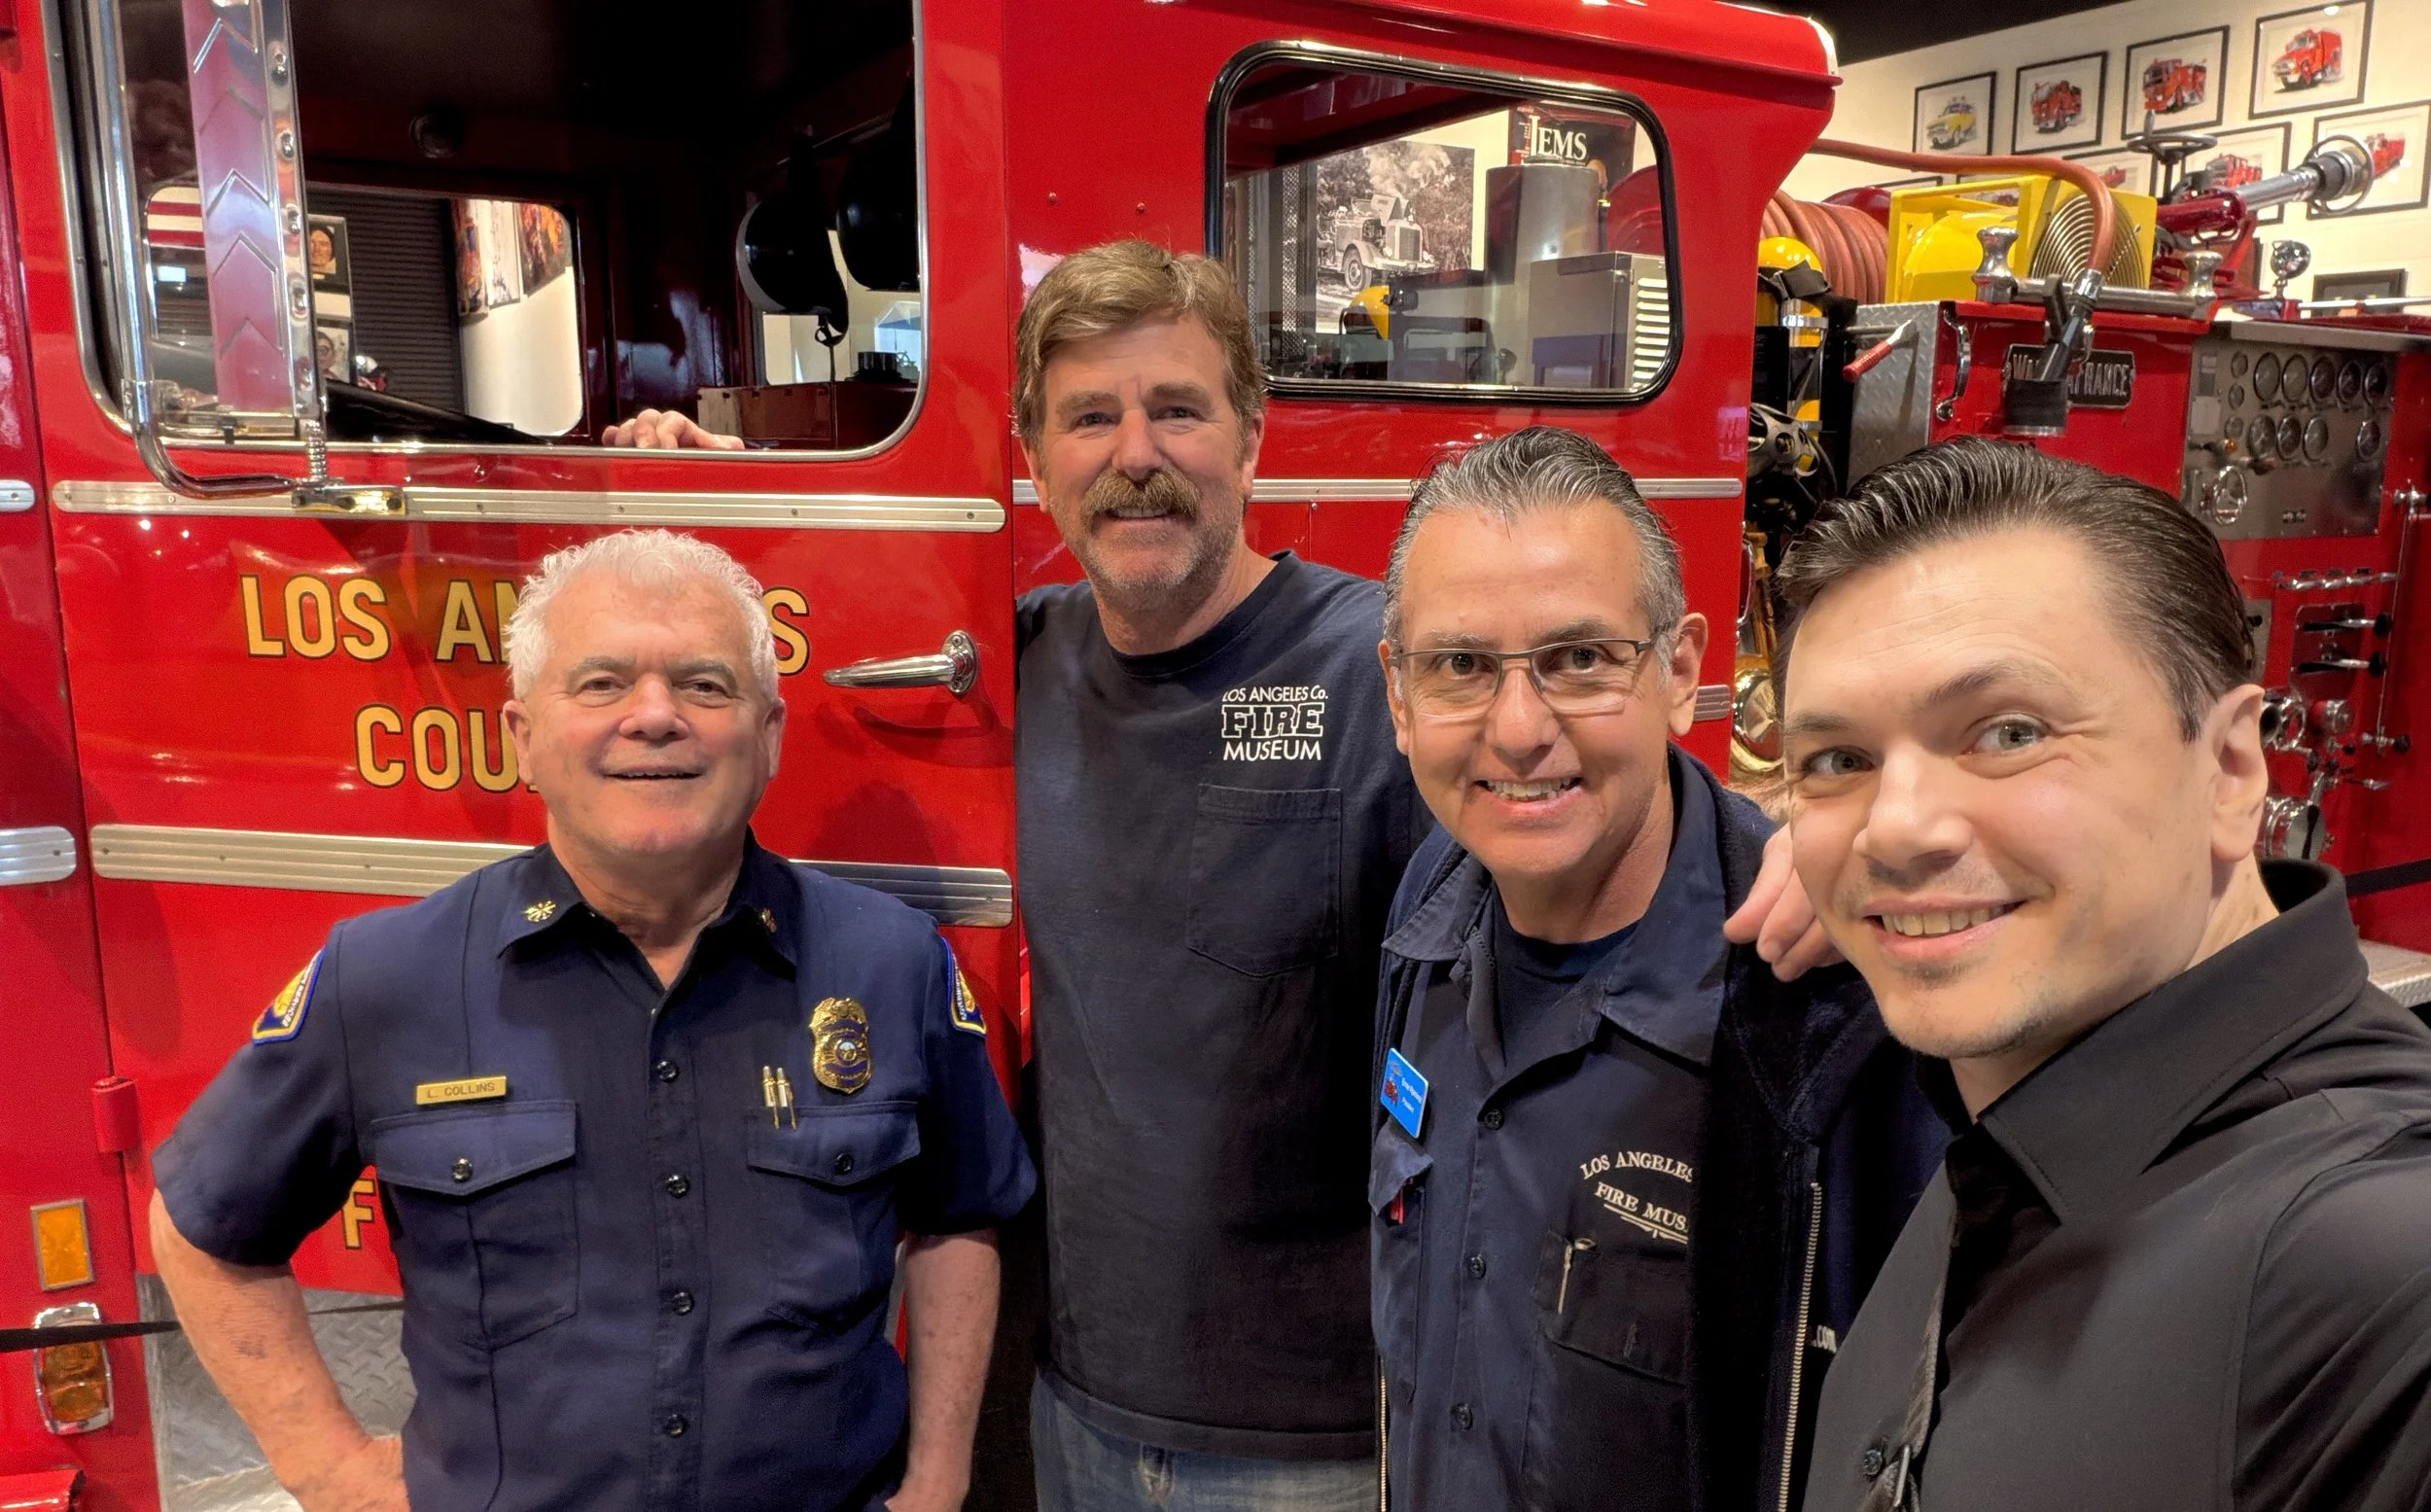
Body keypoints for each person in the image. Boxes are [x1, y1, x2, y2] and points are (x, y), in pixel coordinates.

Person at [150, 529, 1035, 1512]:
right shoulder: (384, 977)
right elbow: (204, 1230)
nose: (654, 717)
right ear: (524, 735)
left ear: (771, 733)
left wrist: (938, 1477)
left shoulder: (891, 961)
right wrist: (331, 1473)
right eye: (603, 683)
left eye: (704, 685)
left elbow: (958, 1221)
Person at [1777, 438, 2431, 1512]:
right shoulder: (2014, 1132)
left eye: (2007, 733)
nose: (1894, 830)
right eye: (1839, 761)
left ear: (2227, 769)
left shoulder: (2382, 1279)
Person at [1368, 427, 1943, 1512]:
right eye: (1460, 666)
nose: (1519, 727)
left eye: (1580, 658)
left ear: (1680, 670)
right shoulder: (1427, 914)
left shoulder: (1823, 1000)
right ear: (1398, 697)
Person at [1009, 239, 1406, 1508]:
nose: (1135, 453)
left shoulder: (1383, 670)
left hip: (1318, 1439)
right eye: (1090, 417)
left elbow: (1587, 806)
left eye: (1177, 408)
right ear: (1037, 461)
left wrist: (1759, 863)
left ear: (1249, 439)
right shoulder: (1019, 666)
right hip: (1074, 1396)